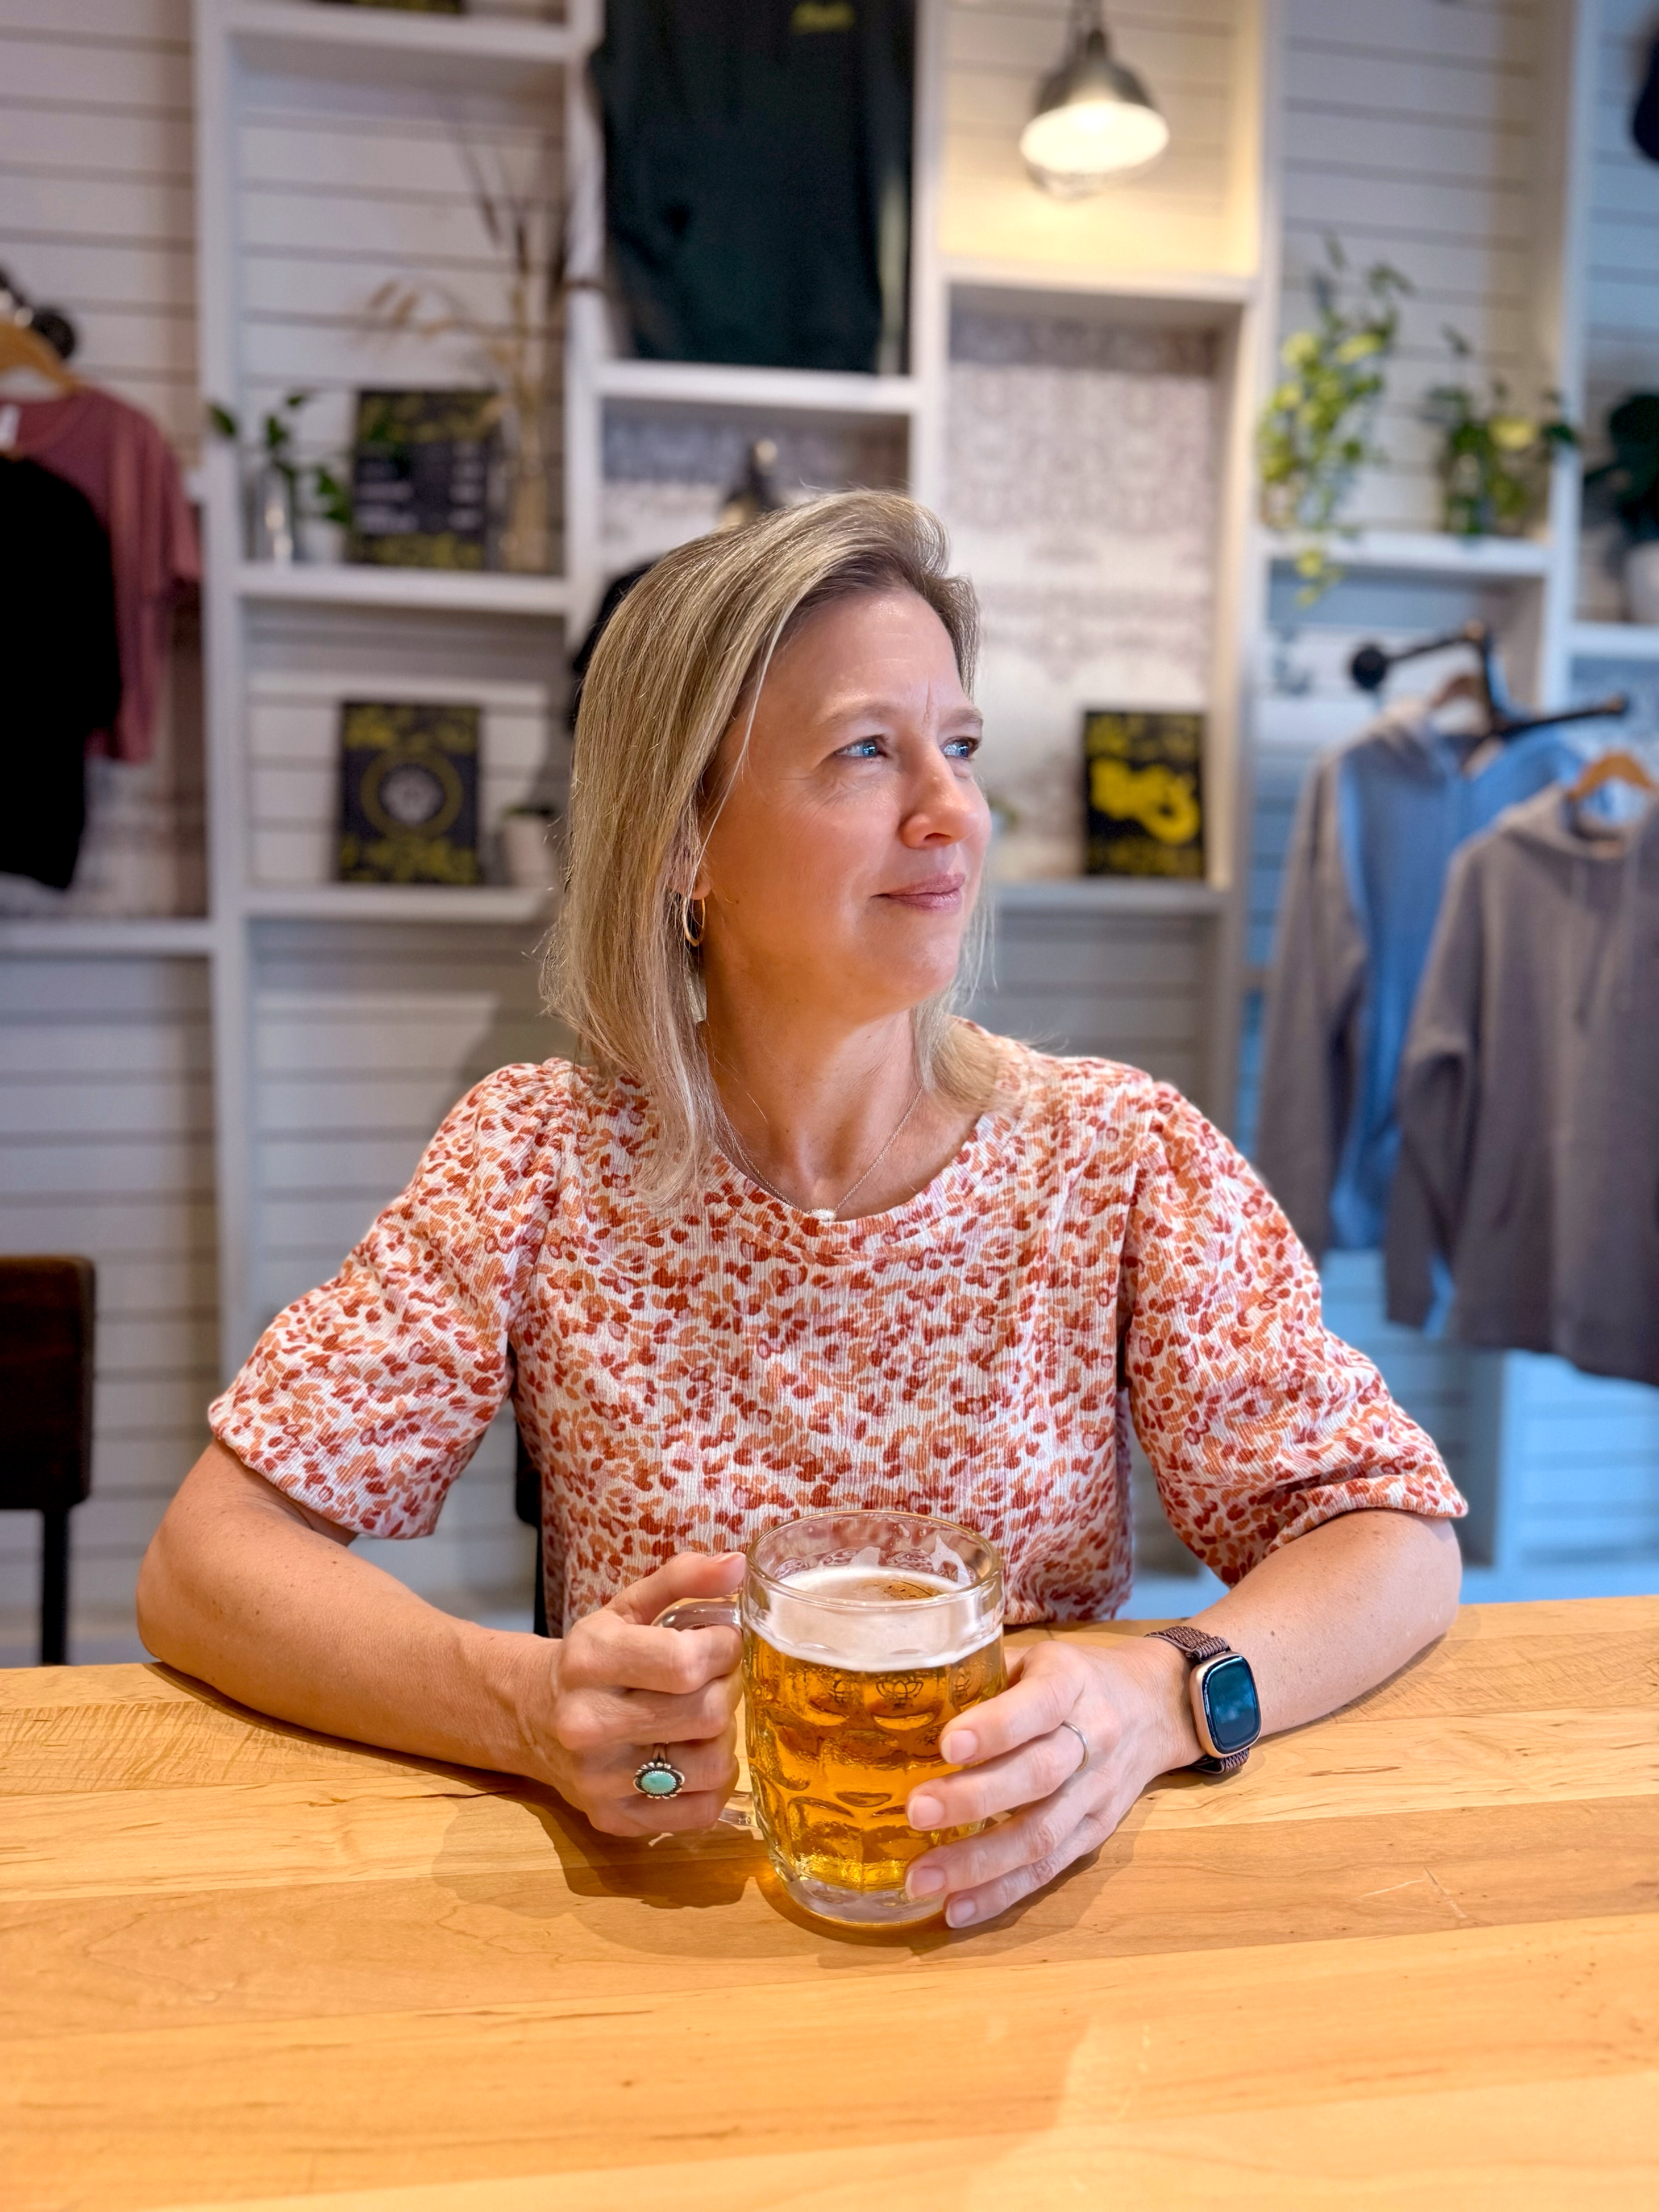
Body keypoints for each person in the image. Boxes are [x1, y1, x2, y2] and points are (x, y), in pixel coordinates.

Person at [138, 494, 1465, 1931]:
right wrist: (524, 1707)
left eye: (955, 746)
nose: (949, 808)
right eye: (861, 753)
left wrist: (1162, 1696)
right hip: (666, 1920)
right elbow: (206, 1561)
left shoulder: (1114, 1156)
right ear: (680, 845)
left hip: (1035, 1931)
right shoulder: (534, 1158)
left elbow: (1391, 1538)